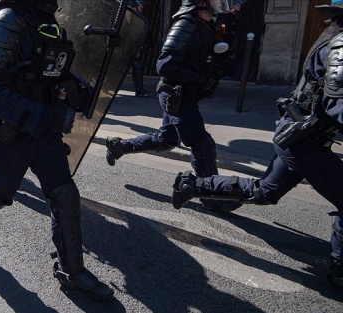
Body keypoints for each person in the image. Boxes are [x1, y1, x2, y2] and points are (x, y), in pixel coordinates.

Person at [0, 0, 114, 301]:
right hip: (14, 133)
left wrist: (77, 87)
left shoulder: (48, 22)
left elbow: (50, 71)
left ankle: (72, 271)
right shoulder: (10, 20)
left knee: (64, 193)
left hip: (45, 133)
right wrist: (44, 115)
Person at [171, 0, 343, 292]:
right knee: (187, 141)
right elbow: (337, 102)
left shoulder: (333, 35)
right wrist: (202, 78)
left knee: (265, 192)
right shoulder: (339, 43)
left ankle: (193, 184)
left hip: (301, 137)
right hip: (304, 139)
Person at [105, 0, 238, 211]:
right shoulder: (186, 24)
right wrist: (202, 80)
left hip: (187, 93)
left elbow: (212, 59)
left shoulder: (208, 25)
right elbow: (165, 65)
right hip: (177, 94)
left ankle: (119, 146)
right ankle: (212, 194)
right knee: (202, 144)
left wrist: (228, 41)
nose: (221, 4)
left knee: (166, 139)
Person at [129, 0, 149, 97]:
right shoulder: (127, 16)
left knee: (137, 64)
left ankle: (139, 89)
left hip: (129, 47)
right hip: (118, 47)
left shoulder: (138, 18)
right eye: (140, 5)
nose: (142, 8)